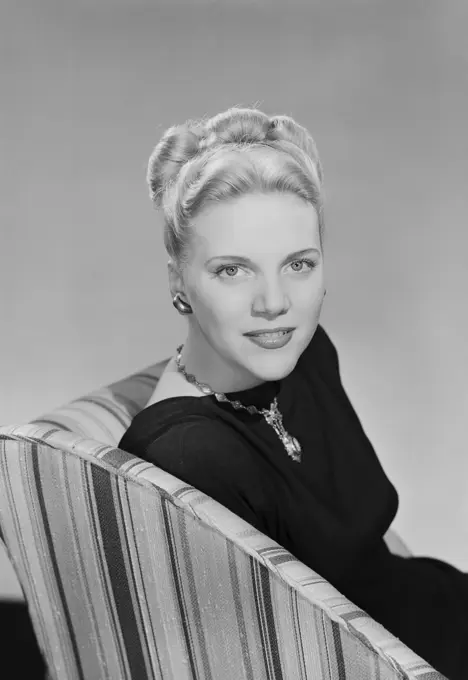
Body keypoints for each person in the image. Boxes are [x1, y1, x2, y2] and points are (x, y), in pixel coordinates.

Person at [118, 106, 468, 679]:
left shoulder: (304, 355)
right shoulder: (188, 460)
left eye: (298, 264)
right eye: (233, 270)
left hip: (430, 615)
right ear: (178, 280)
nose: (274, 302)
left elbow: (373, 544)